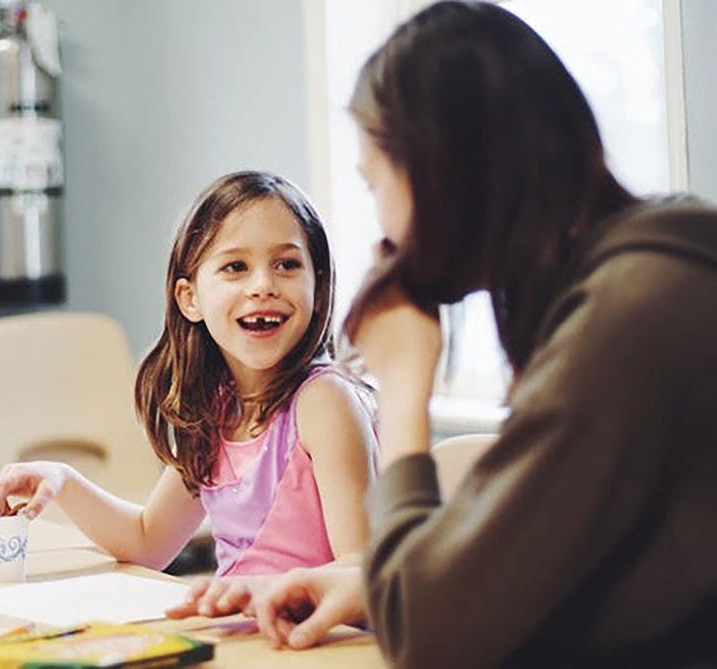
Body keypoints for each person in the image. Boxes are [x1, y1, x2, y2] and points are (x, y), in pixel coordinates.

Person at [170, 2, 717, 667]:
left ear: (439, 172)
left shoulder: (624, 325)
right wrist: (365, 581)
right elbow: (525, 567)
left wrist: (403, 387)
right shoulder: (648, 278)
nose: (385, 232)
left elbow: (431, 634)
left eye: (376, 186)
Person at [0, 170, 378, 580]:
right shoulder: (218, 411)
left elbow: (361, 574)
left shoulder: (324, 403)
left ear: (318, 287)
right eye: (235, 267)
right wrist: (64, 481)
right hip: (249, 637)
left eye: (287, 264)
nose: (263, 285)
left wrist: (262, 595)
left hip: (318, 641)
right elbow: (148, 541)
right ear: (190, 299)